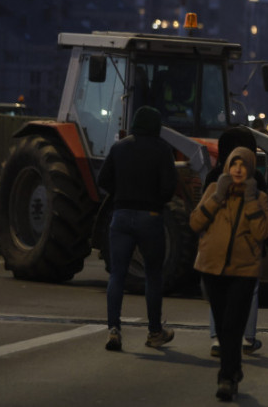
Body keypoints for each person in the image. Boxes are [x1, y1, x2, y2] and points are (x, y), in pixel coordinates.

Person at [190, 146, 268, 401]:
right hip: (211, 268)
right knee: (224, 322)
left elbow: (262, 233)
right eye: (234, 164)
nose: (238, 169)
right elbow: (195, 222)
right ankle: (234, 370)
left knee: (231, 326)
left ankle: (226, 378)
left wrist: (249, 199)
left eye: (243, 165)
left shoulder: (259, 198)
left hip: (243, 270)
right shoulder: (215, 190)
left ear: (250, 169)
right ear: (227, 166)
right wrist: (217, 196)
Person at [97, 105, 177, 352]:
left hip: (120, 216)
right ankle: (154, 332)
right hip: (150, 217)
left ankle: (113, 329)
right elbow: (168, 189)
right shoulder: (163, 150)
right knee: (153, 275)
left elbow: (103, 180)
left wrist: (121, 194)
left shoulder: (119, 147)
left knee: (117, 274)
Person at [204, 126, 268, 358]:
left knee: (217, 289)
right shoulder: (254, 177)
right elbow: (267, 213)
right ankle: (247, 338)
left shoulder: (214, 176)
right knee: (250, 291)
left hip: (218, 243)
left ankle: (218, 338)